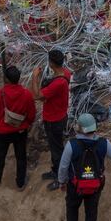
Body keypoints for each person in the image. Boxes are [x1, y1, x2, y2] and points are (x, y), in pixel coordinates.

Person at [58, 113, 111, 221]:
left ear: (79, 128)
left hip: (75, 185)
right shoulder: (103, 143)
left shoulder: (71, 145)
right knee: (91, 209)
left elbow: (63, 167)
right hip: (96, 185)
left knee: (72, 208)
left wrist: (62, 182)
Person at [0, 64, 35, 189]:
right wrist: (27, 125)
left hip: (2, 132)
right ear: (19, 79)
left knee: (0, 156)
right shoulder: (26, 94)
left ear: (6, 79)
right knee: (21, 156)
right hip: (20, 131)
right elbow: (32, 114)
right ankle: (20, 182)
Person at [34, 50, 71, 190]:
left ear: (50, 63)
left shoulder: (57, 83)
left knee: (57, 150)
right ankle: (55, 170)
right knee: (56, 147)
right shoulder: (65, 73)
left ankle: (61, 178)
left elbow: (37, 96)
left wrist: (35, 77)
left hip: (54, 120)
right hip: (59, 116)